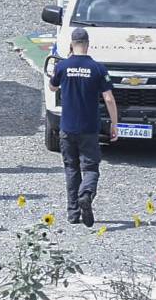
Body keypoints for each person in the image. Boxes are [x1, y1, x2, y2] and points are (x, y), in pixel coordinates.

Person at [48, 27, 118, 227]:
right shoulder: (97, 68)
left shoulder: (63, 66)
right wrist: (114, 123)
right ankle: (86, 193)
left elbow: (53, 86)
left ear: (72, 43)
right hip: (89, 128)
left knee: (71, 169)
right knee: (91, 168)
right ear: (88, 44)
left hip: (67, 128)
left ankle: (73, 214)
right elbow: (109, 98)